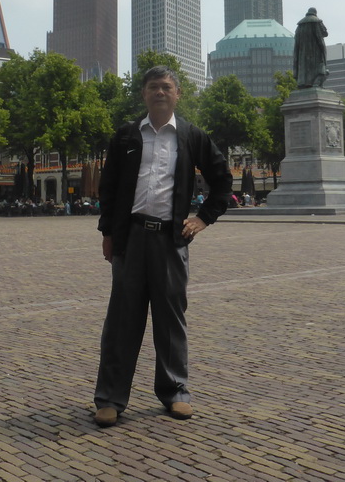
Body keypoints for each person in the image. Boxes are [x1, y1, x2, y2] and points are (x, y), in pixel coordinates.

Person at [93, 65, 233, 428]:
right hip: (131, 236)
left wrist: (202, 219)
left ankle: (175, 392)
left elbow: (222, 180)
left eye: (166, 87)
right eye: (153, 87)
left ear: (177, 94)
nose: (159, 92)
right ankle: (110, 398)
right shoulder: (126, 136)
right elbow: (108, 188)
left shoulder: (191, 136)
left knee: (171, 320)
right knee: (123, 319)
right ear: (143, 94)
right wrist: (108, 232)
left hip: (171, 240)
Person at [293, 7, 329, 88]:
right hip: (315, 51)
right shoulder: (316, 21)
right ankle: (314, 83)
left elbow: (296, 39)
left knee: (305, 67)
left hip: (302, 53)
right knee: (316, 68)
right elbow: (325, 33)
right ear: (315, 13)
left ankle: (304, 83)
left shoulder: (300, 26)